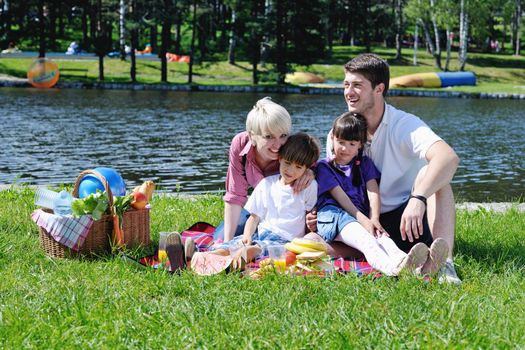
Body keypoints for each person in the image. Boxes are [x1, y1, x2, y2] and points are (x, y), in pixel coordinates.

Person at [310, 53, 461, 283]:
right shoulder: (339, 134)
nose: (348, 92)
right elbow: (334, 183)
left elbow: (448, 158)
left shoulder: (405, 124)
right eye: (346, 84)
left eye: (357, 85)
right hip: (364, 221)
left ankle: (445, 266)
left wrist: (417, 198)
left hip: (408, 219)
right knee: (313, 245)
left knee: (436, 177)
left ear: (379, 89)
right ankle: (405, 261)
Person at [314, 112, 447, 276]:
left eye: (351, 144)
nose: (344, 148)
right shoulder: (324, 167)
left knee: (382, 237)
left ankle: (411, 264)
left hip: (357, 217)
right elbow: (341, 198)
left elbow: (373, 191)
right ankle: (393, 270)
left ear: (360, 146)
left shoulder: (364, 164)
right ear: (332, 138)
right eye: (340, 142)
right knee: (367, 240)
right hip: (335, 216)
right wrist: (364, 220)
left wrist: (374, 218)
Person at [214, 97, 313, 243]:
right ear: (252, 135)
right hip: (259, 211)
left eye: (283, 135)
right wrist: (228, 244)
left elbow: (318, 165)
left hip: (288, 218)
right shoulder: (240, 145)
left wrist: (311, 172)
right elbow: (235, 196)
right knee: (221, 237)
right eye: (269, 137)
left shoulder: (293, 147)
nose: (278, 145)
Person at [211, 132, 320, 262]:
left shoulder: (309, 187)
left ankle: (237, 259)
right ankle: (200, 257)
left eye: (298, 167)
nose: (290, 170)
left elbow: (310, 217)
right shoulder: (267, 183)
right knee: (233, 243)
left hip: (286, 240)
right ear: (279, 158)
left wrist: (306, 243)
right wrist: (246, 236)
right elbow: (254, 217)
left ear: (307, 168)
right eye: (287, 163)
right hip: (261, 234)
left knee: (259, 249)